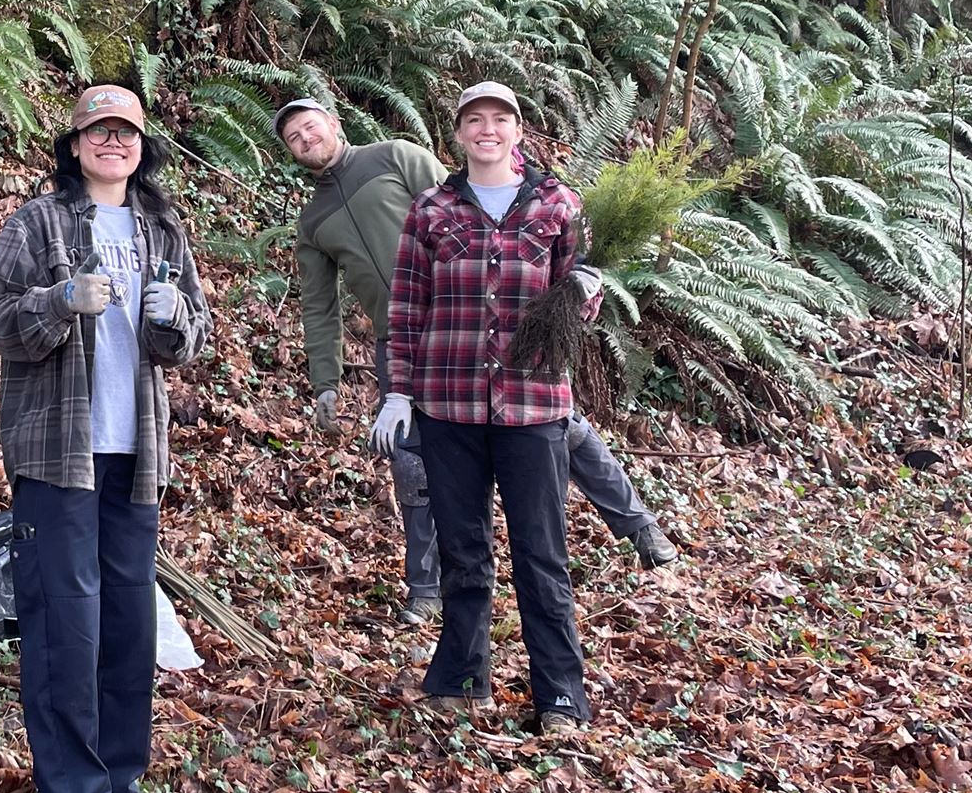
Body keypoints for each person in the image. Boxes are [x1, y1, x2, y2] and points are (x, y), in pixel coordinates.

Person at [276, 97, 679, 630]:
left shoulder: (395, 156)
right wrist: (324, 379)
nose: (307, 141)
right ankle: (425, 591)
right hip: (402, 338)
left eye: (311, 128)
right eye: (295, 139)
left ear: (334, 123)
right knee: (413, 461)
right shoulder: (313, 219)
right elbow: (318, 303)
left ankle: (637, 525)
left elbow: (469, 205)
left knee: (560, 427)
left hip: (481, 320)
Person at [0, 85, 213, 793]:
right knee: (65, 621)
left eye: (126, 132)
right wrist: (58, 300)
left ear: (142, 145)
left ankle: (120, 783)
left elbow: (195, 335)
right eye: (98, 132)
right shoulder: (37, 222)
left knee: (127, 620)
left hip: (137, 452)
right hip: (59, 452)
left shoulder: (162, 230)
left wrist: (177, 324)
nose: (113, 143)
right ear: (74, 145)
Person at [378, 81, 595, 732]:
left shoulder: (560, 203)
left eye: (500, 119)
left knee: (541, 554)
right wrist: (397, 391)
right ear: (460, 133)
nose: (488, 129)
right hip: (449, 407)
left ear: (518, 130)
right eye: (476, 120)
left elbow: (580, 298)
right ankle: (461, 678)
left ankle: (560, 695)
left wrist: (587, 288)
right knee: (463, 551)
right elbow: (406, 306)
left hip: (535, 409)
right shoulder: (431, 209)